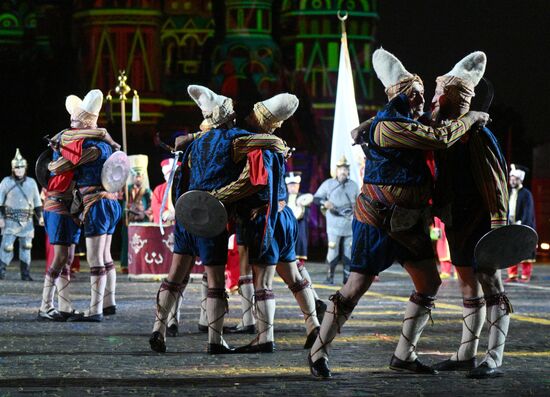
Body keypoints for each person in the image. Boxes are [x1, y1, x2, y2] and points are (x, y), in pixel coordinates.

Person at [308, 48, 489, 379]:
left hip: (408, 223)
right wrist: (470, 117)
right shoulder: (391, 124)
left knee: (429, 282)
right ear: (400, 95)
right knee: (355, 286)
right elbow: (439, 136)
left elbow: (425, 124)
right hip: (378, 221)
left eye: (423, 94)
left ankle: (404, 354)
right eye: (416, 94)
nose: (422, 101)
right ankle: (318, 351)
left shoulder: (402, 119)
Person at [149, 85, 291, 354]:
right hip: (212, 216)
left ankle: (158, 328)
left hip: (187, 211)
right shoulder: (236, 139)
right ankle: (215, 340)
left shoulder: (196, 143)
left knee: (173, 277)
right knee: (214, 282)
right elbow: (272, 142)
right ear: (228, 115)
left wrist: (191, 134)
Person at [428, 52, 512, 379]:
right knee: (466, 287)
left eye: (439, 94)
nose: (434, 99)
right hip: (458, 220)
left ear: (453, 98)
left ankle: (494, 357)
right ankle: (466, 353)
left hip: (480, 221)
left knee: (492, 285)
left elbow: (496, 181)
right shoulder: (449, 131)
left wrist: (498, 227)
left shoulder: (478, 134)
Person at [55, 89, 122, 322]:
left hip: (96, 204)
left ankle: (95, 310)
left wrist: (58, 150)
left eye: (74, 123)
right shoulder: (107, 143)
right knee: (105, 256)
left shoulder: (88, 147)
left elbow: (58, 168)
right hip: (111, 203)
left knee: (94, 259)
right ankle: (109, 302)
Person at [286, 171, 327, 321]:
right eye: (290, 184)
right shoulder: (283, 198)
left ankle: (314, 303)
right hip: (285, 239)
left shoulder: (303, 197)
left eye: (295, 184)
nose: (293, 187)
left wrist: (300, 201)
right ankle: (315, 302)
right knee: (295, 275)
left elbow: (310, 198)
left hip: (297, 239)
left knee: (297, 273)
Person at [313, 157, 359, 284]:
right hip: (334, 223)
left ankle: (347, 279)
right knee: (332, 250)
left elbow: (359, 202)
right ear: (336, 171)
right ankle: (330, 277)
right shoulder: (328, 184)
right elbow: (316, 198)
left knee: (348, 251)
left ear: (348, 171)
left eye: (345, 169)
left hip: (349, 222)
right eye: (341, 169)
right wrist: (325, 202)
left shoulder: (354, 186)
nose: (343, 171)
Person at [0, 149, 43, 281]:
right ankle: (1, 271)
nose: (19, 170)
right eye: (17, 168)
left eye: (21, 167)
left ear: (25, 168)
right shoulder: (6, 182)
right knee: (7, 247)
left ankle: (25, 273)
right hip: (10, 220)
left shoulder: (31, 183)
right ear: (13, 169)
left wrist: (40, 216)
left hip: (27, 221)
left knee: (26, 247)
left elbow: (37, 202)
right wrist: (0, 218)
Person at [506, 165, 536, 283]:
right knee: (511, 250)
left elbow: (528, 212)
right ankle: (512, 274)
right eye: (511, 178)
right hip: (510, 226)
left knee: (524, 250)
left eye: (515, 179)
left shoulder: (526, 194)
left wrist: (522, 224)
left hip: (523, 225)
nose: (512, 181)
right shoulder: (508, 192)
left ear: (521, 180)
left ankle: (525, 275)